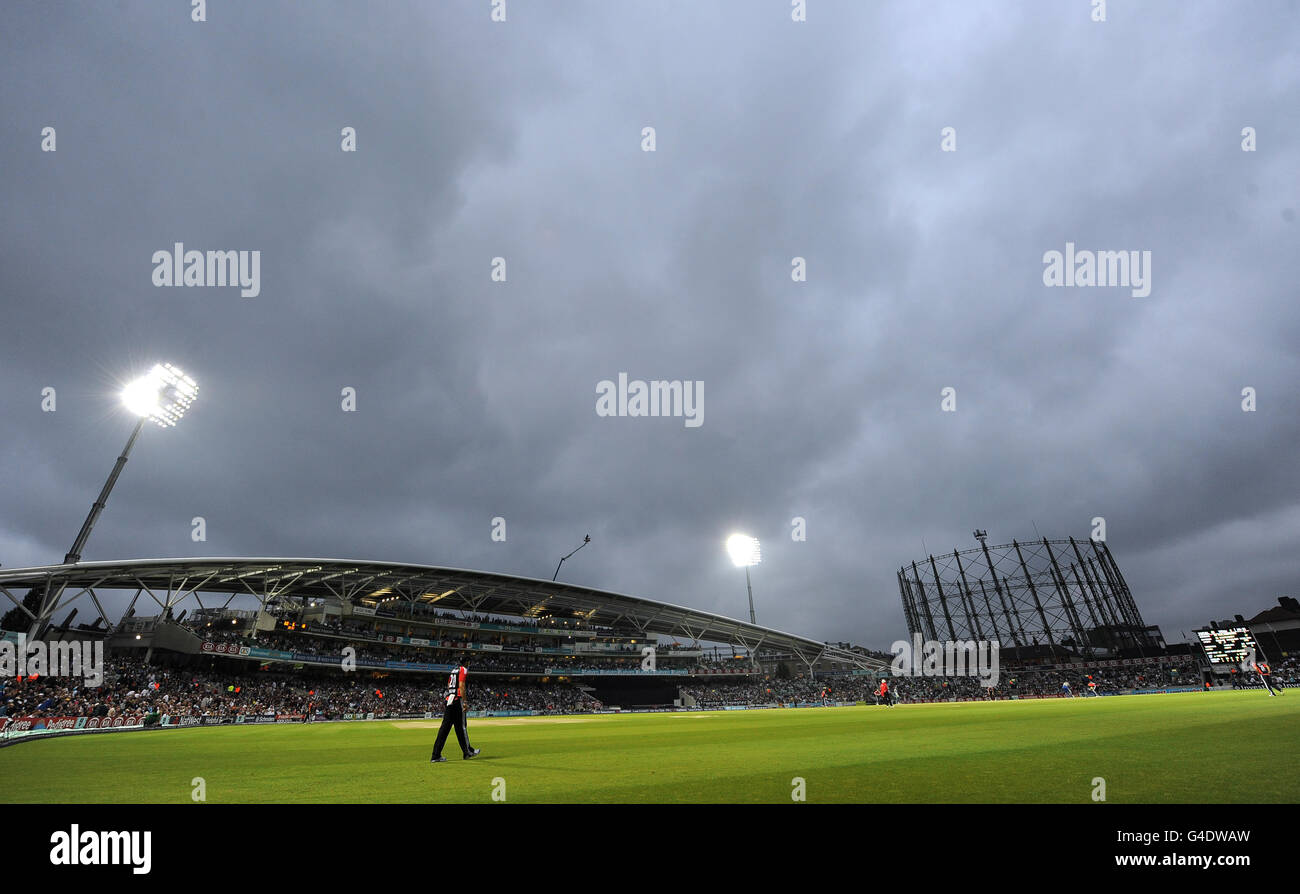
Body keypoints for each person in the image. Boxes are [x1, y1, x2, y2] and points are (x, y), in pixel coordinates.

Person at [431, 659, 480, 762]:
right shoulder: (463, 669)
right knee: (462, 727)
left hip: (450, 700)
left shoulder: (454, 670)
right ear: (467, 662)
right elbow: (462, 685)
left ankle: (435, 755)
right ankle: (468, 752)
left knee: (445, 729)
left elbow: (449, 685)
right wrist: (465, 702)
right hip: (458, 701)